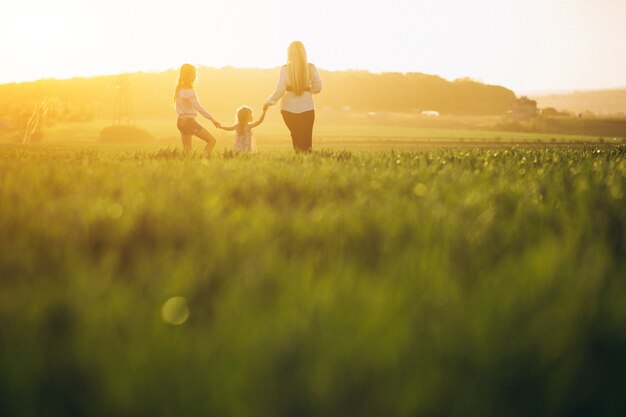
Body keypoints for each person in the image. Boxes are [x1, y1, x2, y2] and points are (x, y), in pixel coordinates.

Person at [263, 41, 322, 152]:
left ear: (289, 53)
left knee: (296, 137)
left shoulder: (285, 69)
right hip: (307, 108)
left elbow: (280, 90)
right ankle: (308, 163)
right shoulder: (311, 67)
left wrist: (269, 102)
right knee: (306, 140)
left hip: (288, 109)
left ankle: (298, 161)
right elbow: (318, 87)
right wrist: (308, 90)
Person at [174, 63, 220, 152]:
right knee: (211, 141)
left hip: (180, 121)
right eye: (194, 73)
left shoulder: (179, 90)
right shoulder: (189, 91)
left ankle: (186, 164)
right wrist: (213, 120)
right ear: (191, 75)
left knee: (187, 150)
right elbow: (199, 108)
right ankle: (203, 160)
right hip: (189, 122)